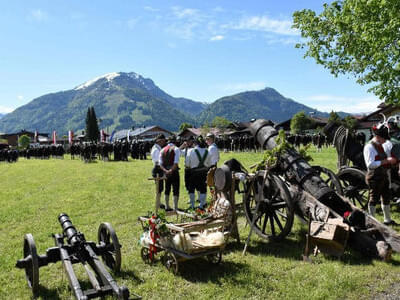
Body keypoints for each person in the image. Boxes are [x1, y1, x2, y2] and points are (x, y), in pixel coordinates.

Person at [364, 123, 397, 225]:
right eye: (384, 138)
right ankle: (372, 221)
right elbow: (370, 165)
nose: (386, 141)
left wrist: (390, 162)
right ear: (378, 137)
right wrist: (386, 161)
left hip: (383, 175)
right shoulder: (369, 147)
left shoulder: (380, 146)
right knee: (374, 198)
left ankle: (387, 220)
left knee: (386, 197)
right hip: (374, 176)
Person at [185, 136, 213, 209]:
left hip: (193, 172)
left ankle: (192, 205)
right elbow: (210, 164)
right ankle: (201, 205)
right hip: (204, 173)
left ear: (195, 143)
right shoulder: (207, 151)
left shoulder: (191, 151)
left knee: (192, 188)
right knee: (203, 188)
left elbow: (187, 164)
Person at [159, 135, 181, 211]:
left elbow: (160, 164)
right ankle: (175, 207)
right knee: (176, 189)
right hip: (174, 171)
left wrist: (166, 171)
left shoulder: (162, 150)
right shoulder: (176, 149)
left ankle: (167, 206)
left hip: (166, 171)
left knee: (167, 188)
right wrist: (171, 170)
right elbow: (175, 163)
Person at [151, 134, 166, 212]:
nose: (164, 142)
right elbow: (157, 162)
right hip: (158, 169)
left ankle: (159, 202)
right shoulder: (156, 149)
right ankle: (158, 203)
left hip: (159, 169)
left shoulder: (158, 148)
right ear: (159, 141)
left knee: (160, 188)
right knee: (159, 188)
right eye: (163, 141)